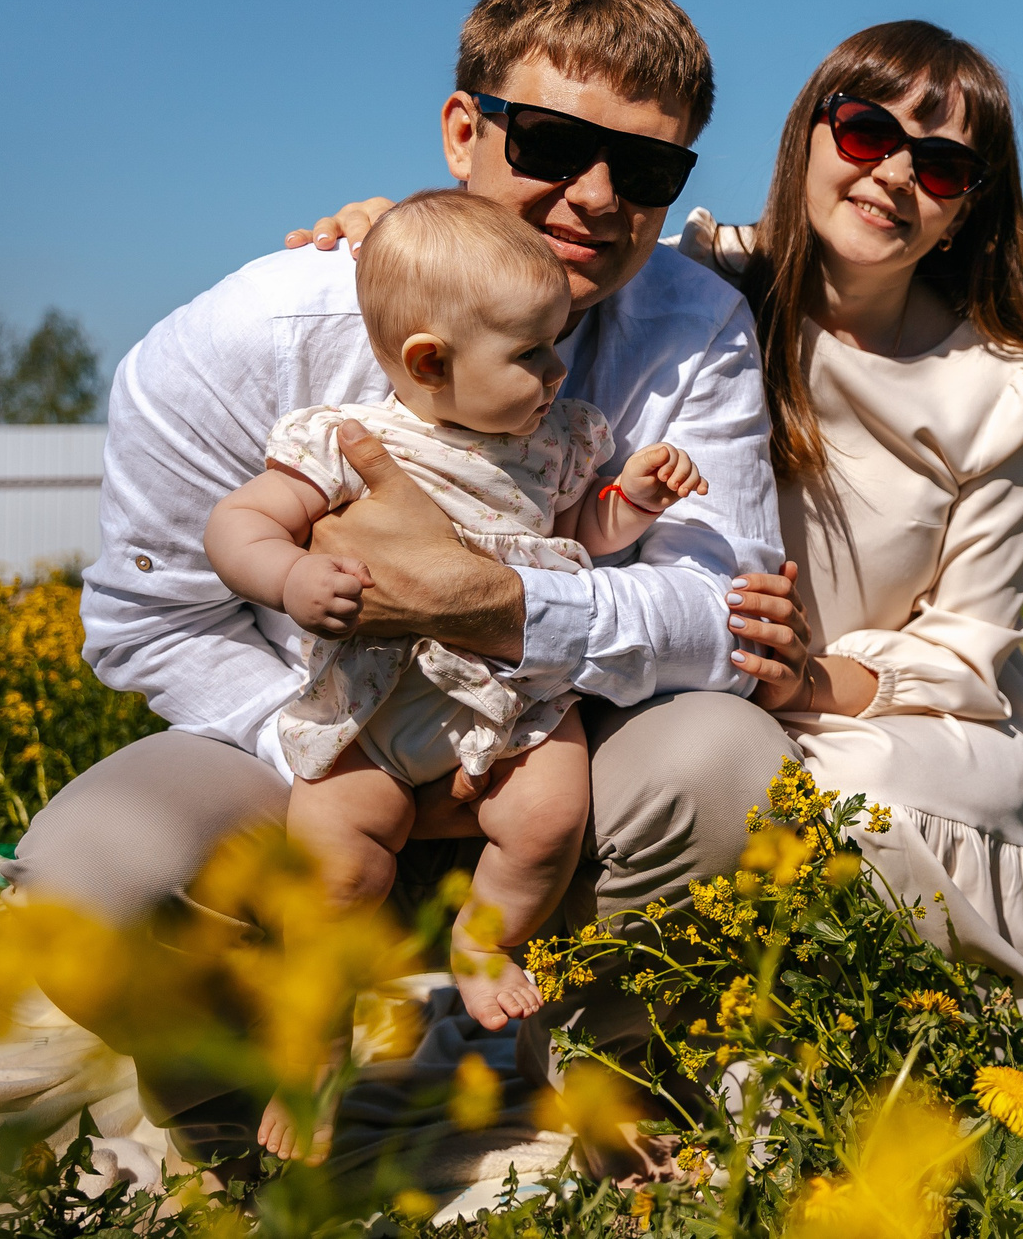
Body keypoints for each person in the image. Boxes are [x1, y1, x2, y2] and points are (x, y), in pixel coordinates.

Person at [15, 0, 800, 1166]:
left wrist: (496, 605)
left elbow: (722, 620)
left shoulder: (692, 331)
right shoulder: (251, 340)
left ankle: (609, 1066)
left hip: (546, 761)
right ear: (463, 130)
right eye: (553, 144)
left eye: (646, 169)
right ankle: (243, 1091)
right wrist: (357, 752)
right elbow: (151, 622)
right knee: (93, 876)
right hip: (311, 744)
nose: (597, 196)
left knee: (728, 765)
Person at [306, 20, 1023, 1031]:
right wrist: (395, 234)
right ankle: (597, 1024)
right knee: (663, 758)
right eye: (867, 132)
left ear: (966, 212)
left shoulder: (997, 385)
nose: (898, 174)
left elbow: (969, 647)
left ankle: (815, 1038)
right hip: (683, 675)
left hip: (873, 704)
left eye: (944, 166)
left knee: (832, 783)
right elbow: (502, 266)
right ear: (806, 135)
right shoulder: (706, 277)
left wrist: (808, 679)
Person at [204, 189, 714, 1145]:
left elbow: (578, 533)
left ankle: (484, 938)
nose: (558, 370)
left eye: (558, 345)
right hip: (373, 704)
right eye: (532, 353)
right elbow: (239, 523)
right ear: (430, 362)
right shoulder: (350, 441)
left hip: (511, 701)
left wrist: (633, 504)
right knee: (333, 865)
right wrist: (290, 575)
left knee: (548, 815)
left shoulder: (555, 442)